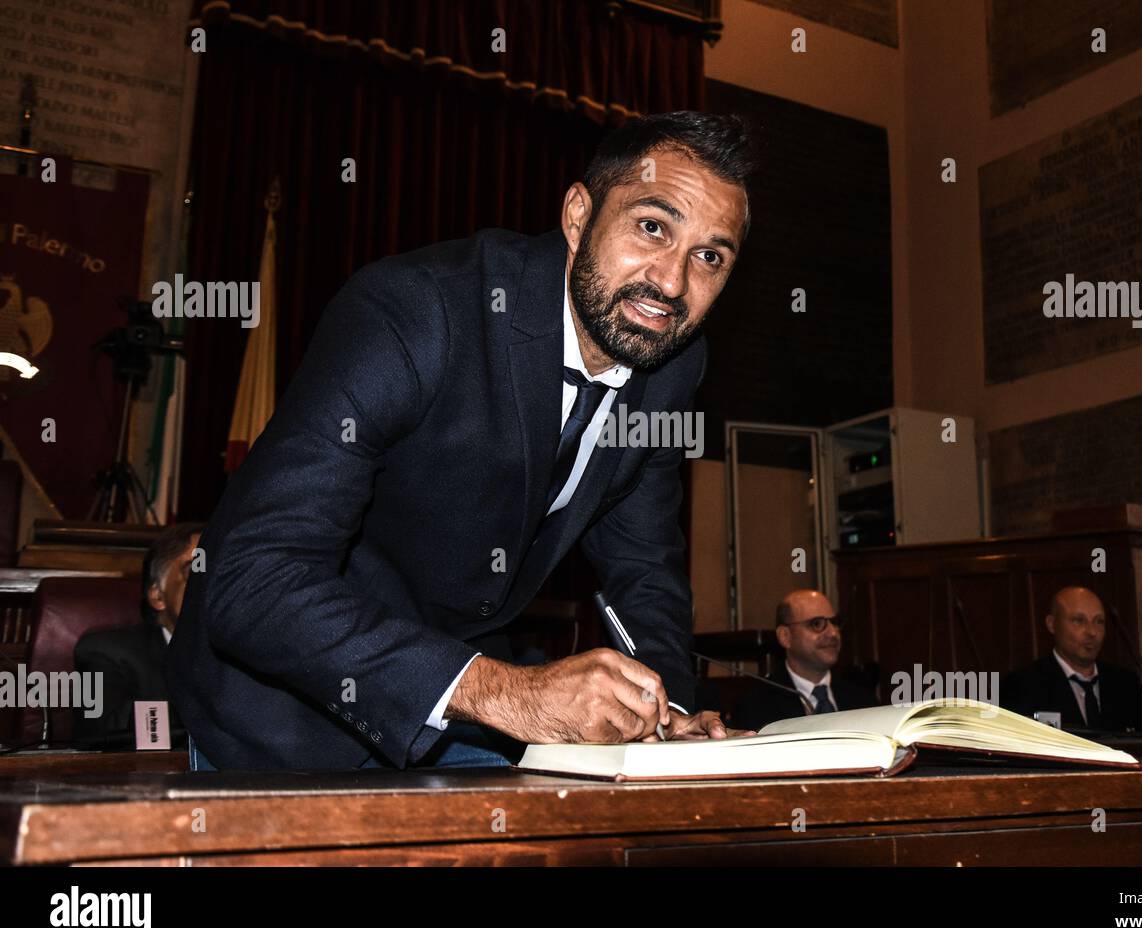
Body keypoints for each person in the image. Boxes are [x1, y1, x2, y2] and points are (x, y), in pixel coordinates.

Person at [168, 112, 757, 770]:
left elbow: (644, 571)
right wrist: (499, 690)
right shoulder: (416, 311)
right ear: (577, 215)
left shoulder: (674, 363)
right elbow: (253, 580)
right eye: (653, 227)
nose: (672, 283)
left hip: (460, 717)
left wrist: (664, 712)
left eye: (710, 256)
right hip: (284, 712)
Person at [75, 523, 202, 749]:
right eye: (196, 570)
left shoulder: (256, 650)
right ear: (158, 596)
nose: (211, 582)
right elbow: (102, 737)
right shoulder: (105, 653)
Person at [1003, 586, 1142, 734]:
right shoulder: (1023, 685)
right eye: (1078, 620)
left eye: (1099, 621)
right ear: (1052, 624)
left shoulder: (1126, 684)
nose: (1092, 632)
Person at [731, 589, 877, 732]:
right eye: (817, 624)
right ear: (785, 636)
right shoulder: (756, 706)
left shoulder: (863, 699)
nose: (833, 633)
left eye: (835, 622)